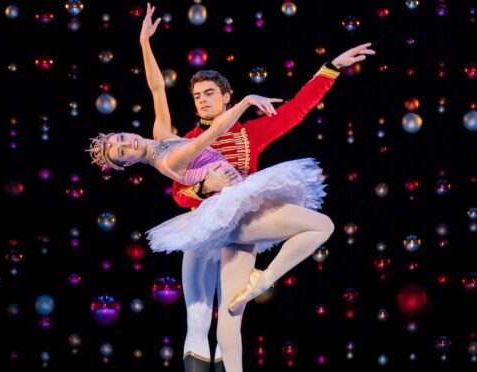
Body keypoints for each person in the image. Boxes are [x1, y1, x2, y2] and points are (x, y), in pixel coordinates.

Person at [88, 4, 375, 371]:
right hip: (218, 216)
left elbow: (296, 110)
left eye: (210, 93)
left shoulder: (218, 134)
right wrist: (205, 185)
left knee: (232, 311)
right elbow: (184, 185)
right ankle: (260, 284)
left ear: (225, 95)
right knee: (200, 314)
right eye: (197, 95)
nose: (203, 99)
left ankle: (243, 333)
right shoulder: (187, 141)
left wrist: (331, 67)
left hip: (244, 207)